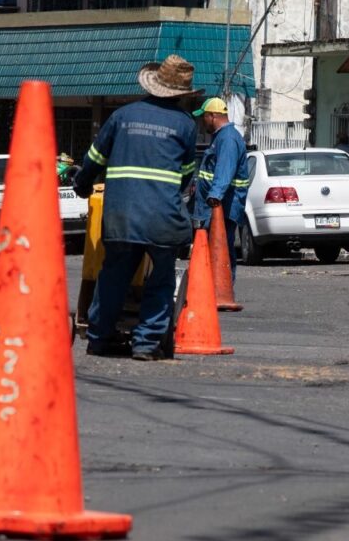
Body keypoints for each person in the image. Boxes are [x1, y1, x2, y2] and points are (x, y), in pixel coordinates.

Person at [72, 55, 200, 361]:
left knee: (114, 275)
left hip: (121, 214)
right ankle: (145, 342)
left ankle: (100, 337)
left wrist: (82, 184)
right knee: (161, 277)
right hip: (162, 216)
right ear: (182, 94)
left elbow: (94, 160)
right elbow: (185, 176)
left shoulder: (122, 116)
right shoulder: (185, 124)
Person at [191, 97, 250, 285]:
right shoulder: (222, 137)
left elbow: (225, 170)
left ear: (213, 116)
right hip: (219, 207)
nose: (202, 121)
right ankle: (215, 287)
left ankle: (222, 288)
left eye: (204, 117)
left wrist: (215, 196)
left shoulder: (228, 139)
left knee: (221, 247)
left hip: (222, 207)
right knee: (216, 247)